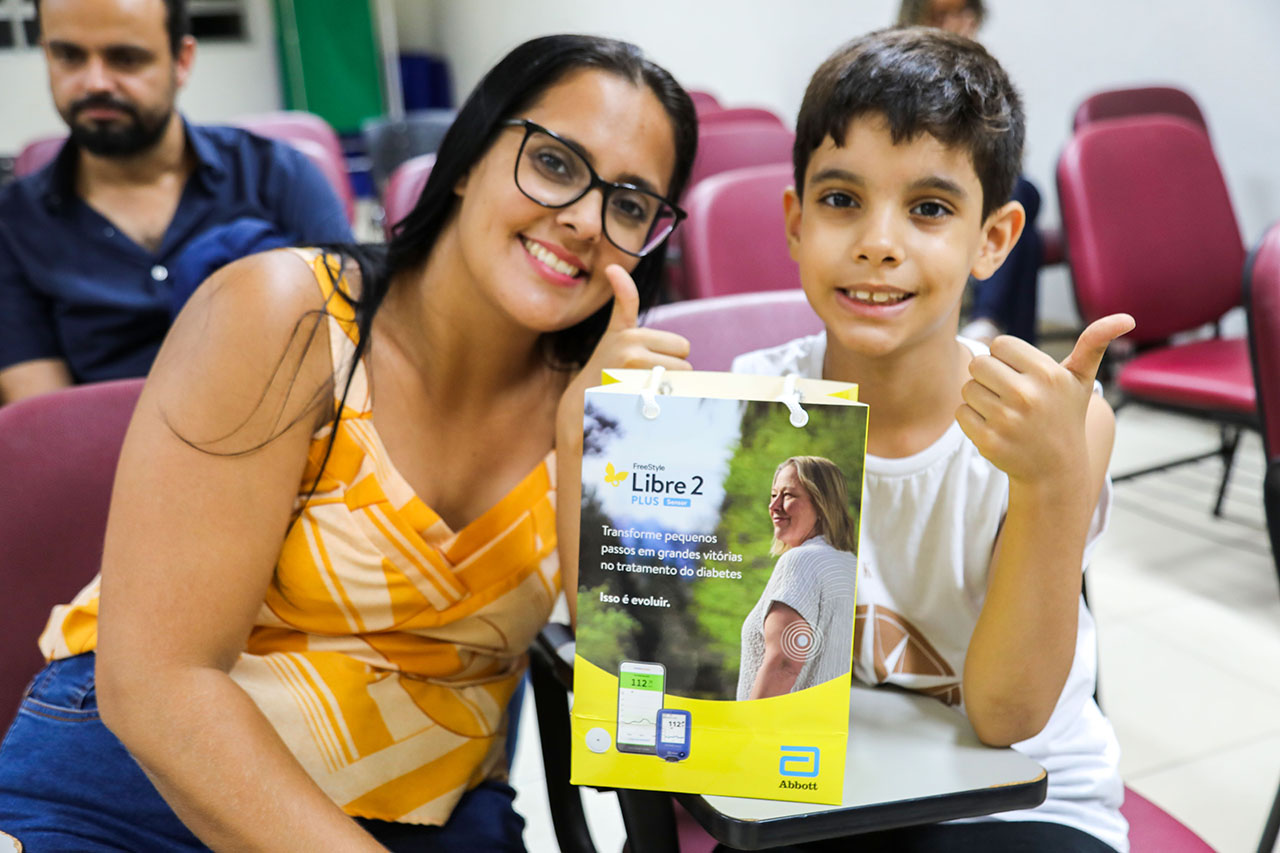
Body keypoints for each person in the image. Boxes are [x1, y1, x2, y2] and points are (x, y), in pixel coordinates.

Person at [0, 34, 697, 852]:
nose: (583, 219)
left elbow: (656, 713)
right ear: (469, 157)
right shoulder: (284, 314)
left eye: (628, 204)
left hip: (426, 814)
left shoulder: (615, 394)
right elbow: (158, 685)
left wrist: (595, 444)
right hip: (142, 794)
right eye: (553, 164)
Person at [731, 28, 1133, 852]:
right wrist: (581, 420)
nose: (879, 241)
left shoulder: (1051, 424)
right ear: (795, 221)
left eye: (929, 208)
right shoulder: (753, 403)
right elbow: (667, 668)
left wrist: (1053, 481)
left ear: (993, 237)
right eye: (841, 199)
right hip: (822, 780)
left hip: (1022, 797)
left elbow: (1006, 717)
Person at [0, 0, 352, 405]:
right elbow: (47, 422)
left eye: (125, 58)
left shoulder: (280, 177)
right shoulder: (14, 226)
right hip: (103, 462)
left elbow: (351, 353)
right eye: (68, 56)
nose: (94, 82)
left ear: (181, 60)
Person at [897, 0, 1045, 345]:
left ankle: (998, 336)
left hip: (970, 180)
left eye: (964, 12)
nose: (957, 23)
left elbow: (1003, 147)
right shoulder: (899, 66)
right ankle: (1005, 337)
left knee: (1024, 207)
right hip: (920, 181)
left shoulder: (979, 70)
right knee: (1019, 209)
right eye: (942, 15)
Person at [737, 456, 859, 701]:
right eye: (773, 495)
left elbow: (783, 664)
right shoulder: (851, 565)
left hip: (777, 729)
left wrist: (747, 731)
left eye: (789, 495)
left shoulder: (802, 561)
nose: (774, 506)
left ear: (822, 504)